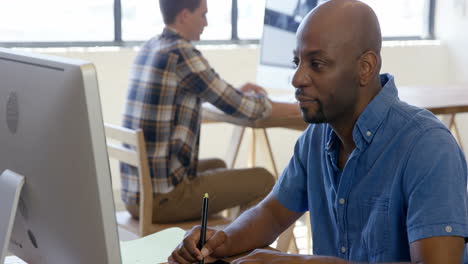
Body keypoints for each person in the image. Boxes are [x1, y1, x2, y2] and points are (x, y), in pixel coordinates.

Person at [169, 0, 468, 263]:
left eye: (317, 64)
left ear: (365, 67)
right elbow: (273, 213)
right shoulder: (317, 137)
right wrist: (223, 240)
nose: (297, 78)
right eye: (297, 62)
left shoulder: (428, 148)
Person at [120, 0, 299, 223]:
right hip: (163, 200)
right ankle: (237, 248)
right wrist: (297, 106)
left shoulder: (152, 46)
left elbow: (204, 92)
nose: (206, 22)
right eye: (203, 14)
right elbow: (246, 108)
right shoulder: (182, 53)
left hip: (136, 194)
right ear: (185, 15)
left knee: (218, 166)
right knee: (262, 179)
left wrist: (235, 92)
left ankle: (222, 239)